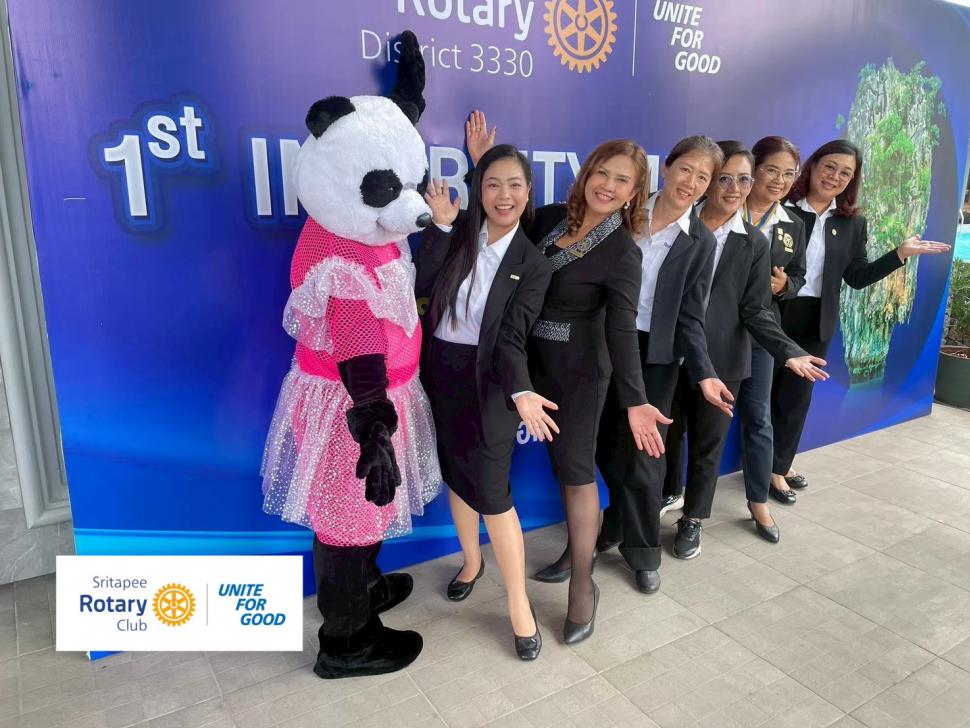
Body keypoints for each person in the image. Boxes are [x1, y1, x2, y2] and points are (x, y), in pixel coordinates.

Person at [466, 112, 666, 644]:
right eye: (602, 172)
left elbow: (622, 330)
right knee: (527, 464)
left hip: (579, 374)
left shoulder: (623, 253)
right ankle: (575, 556)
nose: (608, 186)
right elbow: (501, 219)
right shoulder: (552, 217)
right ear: (587, 173)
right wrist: (482, 165)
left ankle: (583, 582)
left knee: (575, 473)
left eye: (622, 181)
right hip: (524, 363)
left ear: (634, 193)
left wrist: (635, 399)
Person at [416, 144, 554, 660]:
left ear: (528, 192)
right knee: (457, 474)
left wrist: (521, 390)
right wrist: (441, 226)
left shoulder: (533, 264)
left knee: (493, 492)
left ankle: (519, 603)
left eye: (515, 184)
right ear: (479, 190)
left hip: (492, 380)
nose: (504, 195)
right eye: (492, 184)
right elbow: (422, 284)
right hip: (441, 373)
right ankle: (472, 563)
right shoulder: (459, 236)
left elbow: (512, 337)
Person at [661, 141, 827, 559]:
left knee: (709, 442)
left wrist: (788, 350)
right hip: (667, 352)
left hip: (724, 358)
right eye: (724, 178)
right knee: (666, 435)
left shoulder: (753, 242)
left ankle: (693, 519)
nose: (734, 188)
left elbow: (756, 309)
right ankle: (662, 497)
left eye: (744, 179)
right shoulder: (675, 222)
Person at [593, 136, 735, 594]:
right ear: (667, 167)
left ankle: (642, 551)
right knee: (602, 446)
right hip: (600, 342)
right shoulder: (624, 211)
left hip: (655, 355)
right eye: (686, 169)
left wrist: (705, 371)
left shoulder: (701, 242)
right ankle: (616, 521)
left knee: (645, 457)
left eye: (704, 177)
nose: (691, 182)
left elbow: (691, 316)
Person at [772, 140, 950, 494]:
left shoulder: (851, 222)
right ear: (813, 165)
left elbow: (857, 277)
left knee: (795, 400)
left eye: (845, 173)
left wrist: (899, 254)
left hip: (815, 320)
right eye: (830, 166)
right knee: (760, 395)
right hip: (771, 312)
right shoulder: (781, 208)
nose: (835, 177)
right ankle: (761, 464)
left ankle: (778, 466)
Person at [735, 136, 808, 533]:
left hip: (762, 332)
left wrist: (784, 287)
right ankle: (681, 501)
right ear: (754, 169)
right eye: (771, 170)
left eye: (789, 173)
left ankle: (758, 500)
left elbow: (798, 276)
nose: (779, 180)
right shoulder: (725, 207)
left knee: (758, 416)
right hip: (712, 330)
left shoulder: (793, 224)